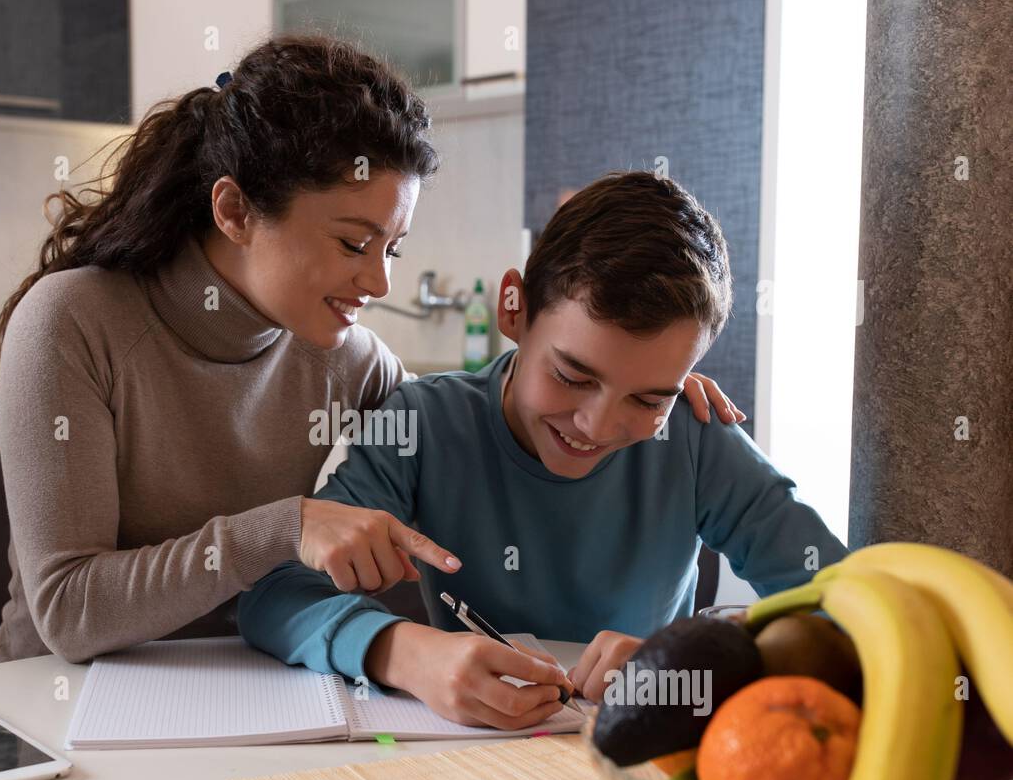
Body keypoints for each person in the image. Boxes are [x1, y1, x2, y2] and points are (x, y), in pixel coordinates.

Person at [0, 35, 743, 665]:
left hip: (265, 702)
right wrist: (285, 527)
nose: (377, 280)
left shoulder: (354, 361)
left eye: (394, 249)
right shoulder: (73, 323)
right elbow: (69, 611)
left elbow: (482, 432)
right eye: (353, 242)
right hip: (60, 708)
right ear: (235, 209)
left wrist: (647, 391)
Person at [237, 171, 847, 730]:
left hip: (643, 767)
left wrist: (694, 662)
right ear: (515, 307)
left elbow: (850, 605)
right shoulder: (423, 423)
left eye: (647, 397)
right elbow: (276, 596)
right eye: (574, 376)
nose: (597, 425)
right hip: (469, 765)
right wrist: (407, 654)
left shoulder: (694, 435)